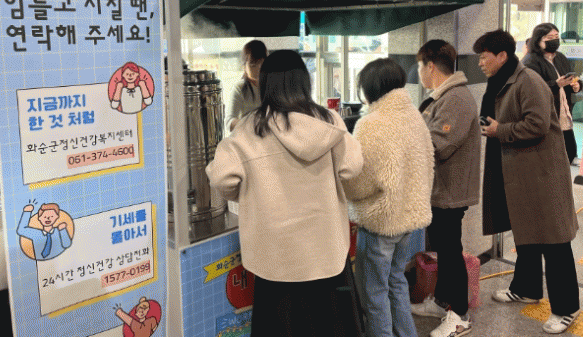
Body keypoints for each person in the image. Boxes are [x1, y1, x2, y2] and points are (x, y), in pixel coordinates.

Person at [206, 49, 363, 337]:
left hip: (274, 257)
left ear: (266, 83)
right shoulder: (328, 121)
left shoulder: (248, 127)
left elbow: (221, 178)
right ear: (305, 81)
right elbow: (352, 168)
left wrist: (247, 191)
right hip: (325, 251)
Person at [475, 29, 580, 335]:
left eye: (484, 56)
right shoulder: (503, 81)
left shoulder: (528, 81)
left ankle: (567, 307)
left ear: (502, 56)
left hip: (542, 175)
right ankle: (527, 288)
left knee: (554, 242)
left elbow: (537, 125)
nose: (480, 62)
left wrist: (500, 130)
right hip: (521, 173)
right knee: (527, 235)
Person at [343, 58, 434, 337]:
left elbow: (360, 184)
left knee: (374, 294)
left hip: (381, 222)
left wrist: (345, 188)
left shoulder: (371, 124)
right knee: (396, 282)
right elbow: (427, 163)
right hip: (409, 219)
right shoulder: (414, 116)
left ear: (369, 89)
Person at [411, 40, 480, 337]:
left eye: (419, 66)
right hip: (440, 189)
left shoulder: (456, 98)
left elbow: (439, 144)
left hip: (451, 190)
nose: (418, 73)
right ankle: (441, 302)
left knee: (451, 251)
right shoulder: (442, 96)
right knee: (443, 248)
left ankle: (460, 315)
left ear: (430, 66)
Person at [523, 23, 582, 164]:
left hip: (564, 109)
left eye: (556, 36)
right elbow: (532, 89)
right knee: (551, 155)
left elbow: (572, 76)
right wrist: (556, 84)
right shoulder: (530, 61)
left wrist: (576, 85)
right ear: (538, 40)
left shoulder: (560, 57)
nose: (555, 40)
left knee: (568, 149)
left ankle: (570, 159)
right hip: (546, 113)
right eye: (550, 37)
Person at [226, 40, 268, 132]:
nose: (259, 68)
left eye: (262, 64)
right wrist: (252, 124)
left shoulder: (271, 86)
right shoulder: (239, 88)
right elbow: (229, 122)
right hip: (246, 137)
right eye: (253, 65)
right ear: (244, 66)